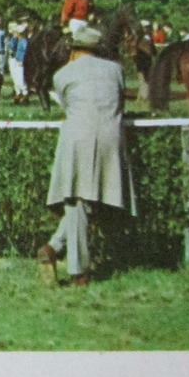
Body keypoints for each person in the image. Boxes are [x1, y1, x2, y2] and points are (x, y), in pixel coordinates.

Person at [37, 24, 132, 286]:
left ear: (73, 49)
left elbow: (67, 107)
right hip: (111, 138)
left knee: (76, 201)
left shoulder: (63, 74)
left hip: (77, 139)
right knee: (90, 201)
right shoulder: (116, 70)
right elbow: (121, 102)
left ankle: (78, 270)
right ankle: (54, 247)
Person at [7, 20, 30, 105]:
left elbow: (25, 51)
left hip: (20, 61)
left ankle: (25, 94)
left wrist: (23, 60)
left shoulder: (23, 41)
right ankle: (19, 94)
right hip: (17, 60)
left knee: (21, 79)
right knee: (17, 78)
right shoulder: (18, 40)